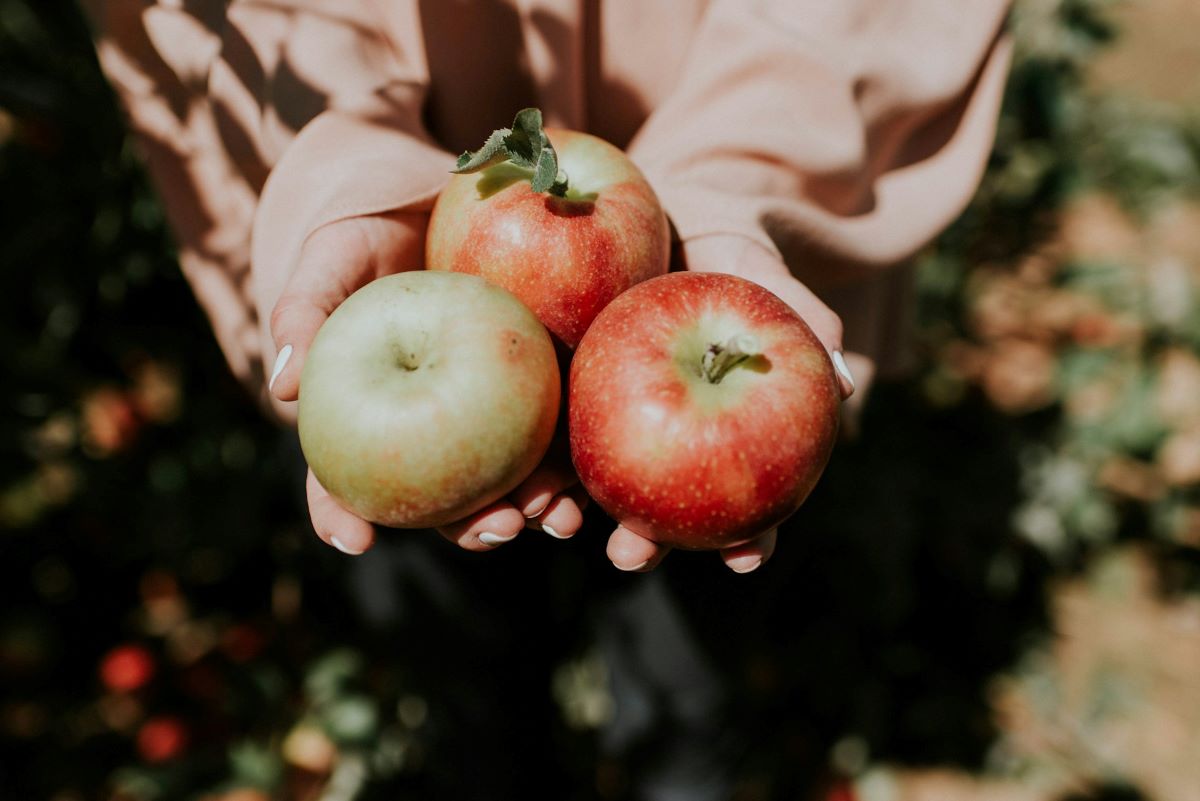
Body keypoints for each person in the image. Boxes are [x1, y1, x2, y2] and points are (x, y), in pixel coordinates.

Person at [85, 0, 1012, 795]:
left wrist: (741, 178)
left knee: (691, 669)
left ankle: (682, 762)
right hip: (407, 291)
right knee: (460, 662)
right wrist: (347, 163)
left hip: (720, 265)